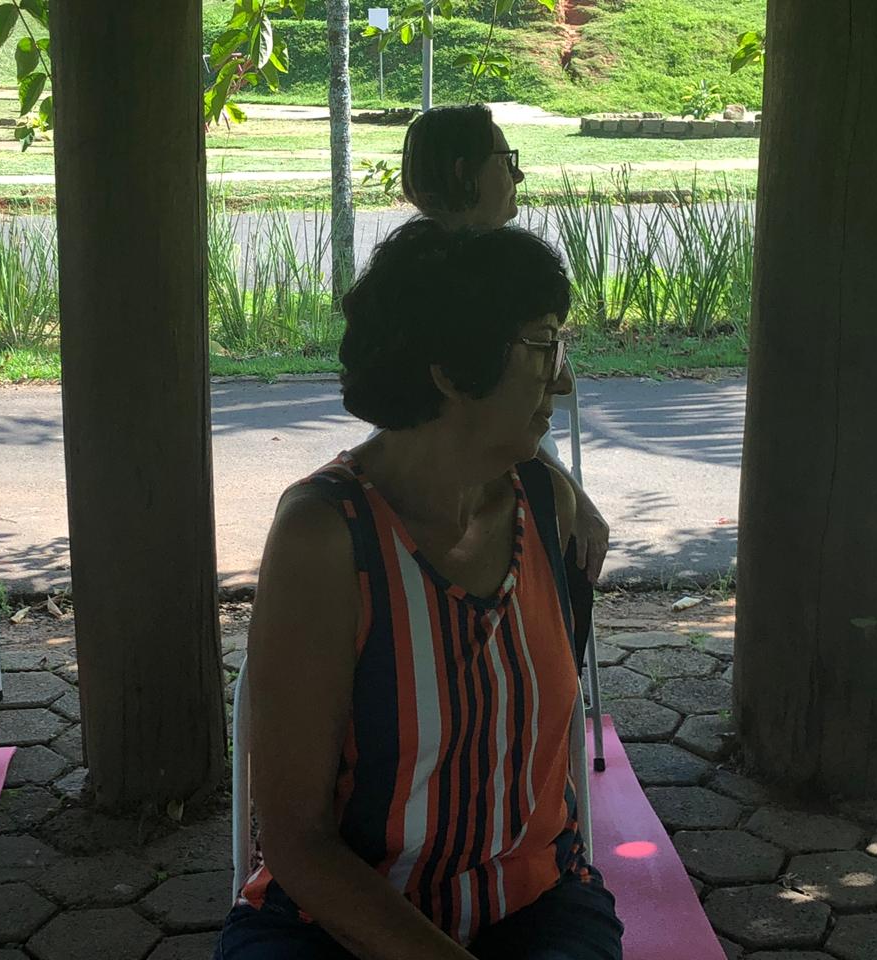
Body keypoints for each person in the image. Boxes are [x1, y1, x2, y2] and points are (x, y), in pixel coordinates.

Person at [215, 220, 624, 959]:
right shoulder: (328, 536)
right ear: (451, 370)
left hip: (533, 904)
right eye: (541, 344)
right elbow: (298, 843)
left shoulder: (545, 504)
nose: (561, 377)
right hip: (333, 920)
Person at [398, 104, 610, 587]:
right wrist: (572, 497)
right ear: (463, 172)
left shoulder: (442, 268)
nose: (519, 172)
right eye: (504, 159)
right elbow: (479, 428)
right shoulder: (444, 285)